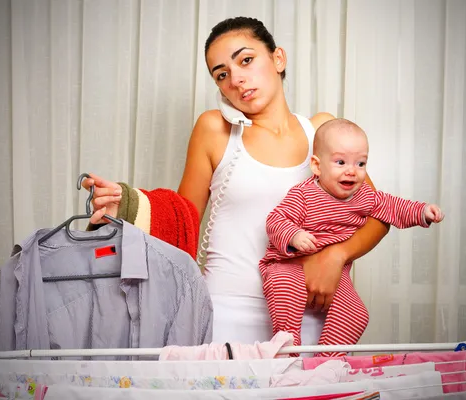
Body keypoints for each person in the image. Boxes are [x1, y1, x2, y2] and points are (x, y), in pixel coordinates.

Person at [82, 17, 390, 345]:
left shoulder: (323, 132)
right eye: (222, 74)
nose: (237, 80)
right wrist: (130, 205)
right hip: (226, 315)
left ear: (278, 59)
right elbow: (183, 220)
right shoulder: (214, 128)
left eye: (246, 60)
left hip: (313, 315)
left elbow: (378, 213)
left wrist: (335, 256)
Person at [260, 119, 444, 355]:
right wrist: (294, 235)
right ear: (317, 166)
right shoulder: (304, 195)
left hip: (334, 270)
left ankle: (327, 363)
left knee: (356, 314)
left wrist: (422, 211)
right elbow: (275, 220)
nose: (351, 171)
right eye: (340, 162)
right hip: (288, 264)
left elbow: (393, 206)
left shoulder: (364, 196)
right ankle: (287, 351)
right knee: (286, 290)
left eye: (361, 163)